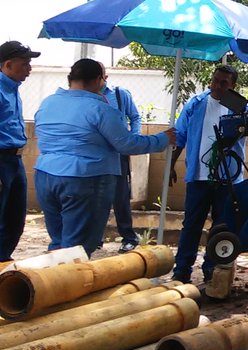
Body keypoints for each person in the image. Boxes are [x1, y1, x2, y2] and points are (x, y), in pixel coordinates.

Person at [33, 59, 175, 256]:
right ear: (99, 80)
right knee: (77, 248)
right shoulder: (101, 109)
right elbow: (127, 144)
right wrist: (163, 138)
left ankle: (51, 282)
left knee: (59, 241)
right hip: (84, 179)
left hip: (45, 176)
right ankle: (70, 284)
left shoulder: (48, 103)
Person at [170, 64, 248, 284]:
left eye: (224, 83)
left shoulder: (240, 107)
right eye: (215, 80)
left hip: (228, 178)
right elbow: (180, 135)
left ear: (233, 85)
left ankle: (212, 270)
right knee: (191, 225)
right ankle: (182, 271)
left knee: (222, 225)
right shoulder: (196, 104)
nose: (217, 86)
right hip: (198, 176)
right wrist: (171, 164)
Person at [0, 41, 39, 262]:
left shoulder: (12, 88)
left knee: (14, 219)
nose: (29, 68)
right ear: (7, 64)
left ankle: (3, 260)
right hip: (1, 160)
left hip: (14, 160)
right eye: (25, 64)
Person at [103, 80, 142, 252]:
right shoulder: (87, 96)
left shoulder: (119, 94)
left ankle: (128, 237)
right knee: (97, 196)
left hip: (118, 152)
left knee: (121, 195)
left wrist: (132, 140)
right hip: (97, 152)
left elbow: (135, 117)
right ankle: (95, 237)